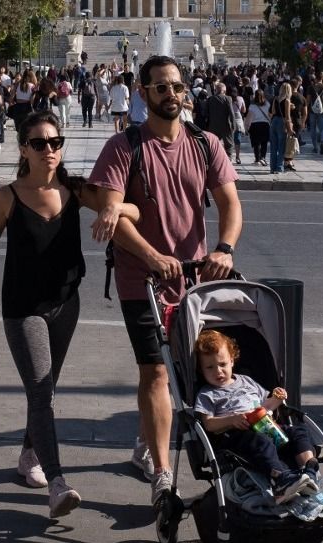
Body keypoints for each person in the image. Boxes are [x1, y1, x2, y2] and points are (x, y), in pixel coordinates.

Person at [0, 111, 140, 518]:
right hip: (22, 309)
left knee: (45, 390)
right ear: (23, 148)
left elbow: (135, 212)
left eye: (55, 143)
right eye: (39, 143)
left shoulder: (75, 191)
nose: (49, 151)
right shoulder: (6, 196)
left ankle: (28, 455)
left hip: (65, 305)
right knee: (41, 390)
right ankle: (57, 482)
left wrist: (113, 211)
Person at [88, 55, 242, 505]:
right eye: (160, 87)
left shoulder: (205, 143)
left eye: (176, 86)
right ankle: (162, 470)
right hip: (143, 280)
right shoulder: (124, 147)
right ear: (143, 93)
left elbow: (230, 204)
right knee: (155, 371)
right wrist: (153, 256)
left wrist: (224, 250)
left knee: (191, 371)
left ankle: (147, 441)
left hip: (195, 279)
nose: (170, 94)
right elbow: (112, 213)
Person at [193, 330, 319, 501]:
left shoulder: (246, 381)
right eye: (210, 367)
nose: (218, 371)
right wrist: (232, 420)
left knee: (298, 431)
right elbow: (208, 424)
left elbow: (265, 406)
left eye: (222, 364)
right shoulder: (207, 393)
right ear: (201, 370)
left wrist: (276, 398)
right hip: (237, 435)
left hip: (266, 425)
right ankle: (280, 479)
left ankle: (309, 469)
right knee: (260, 440)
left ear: (232, 360)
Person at [206, 83, 236, 162]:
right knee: (229, 145)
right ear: (224, 90)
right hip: (225, 125)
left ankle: (213, 159)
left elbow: (206, 113)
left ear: (216, 90)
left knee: (213, 144)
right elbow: (231, 112)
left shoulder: (210, 99)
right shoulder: (228, 98)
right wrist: (233, 124)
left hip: (213, 126)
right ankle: (229, 160)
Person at [268, 82, 291, 174]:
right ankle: (279, 168)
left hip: (274, 121)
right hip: (282, 122)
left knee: (273, 147)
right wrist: (289, 128)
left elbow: (272, 111)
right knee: (282, 146)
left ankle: (272, 167)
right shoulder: (287, 101)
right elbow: (287, 116)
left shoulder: (275, 99)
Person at [307, 74, 323, 155]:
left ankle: (315, 147)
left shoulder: (311, 87)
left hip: (312, 111)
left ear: (315, 78)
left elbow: (308, 100)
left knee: (313, 129)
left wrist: (305, 111)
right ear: (322, 78)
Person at [246, 89, 271, 166]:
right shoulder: (267, 104)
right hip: (265, 125)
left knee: (256, 143)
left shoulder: (252, 106)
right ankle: (263, 157)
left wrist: (247, 127)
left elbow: (249, 117)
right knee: (264, 142)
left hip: (254, 125)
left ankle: (257, 159)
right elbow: (270, 115)